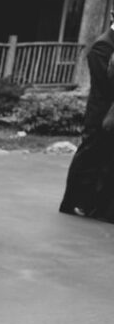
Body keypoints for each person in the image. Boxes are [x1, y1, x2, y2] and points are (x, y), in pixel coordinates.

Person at [60, 14, 114, 223]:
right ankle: (74, 202)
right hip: (101, 112)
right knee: (89, 157)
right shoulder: (103, 45)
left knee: (106, 161)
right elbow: (105, 84)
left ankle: (98, 206)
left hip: (109, 111)